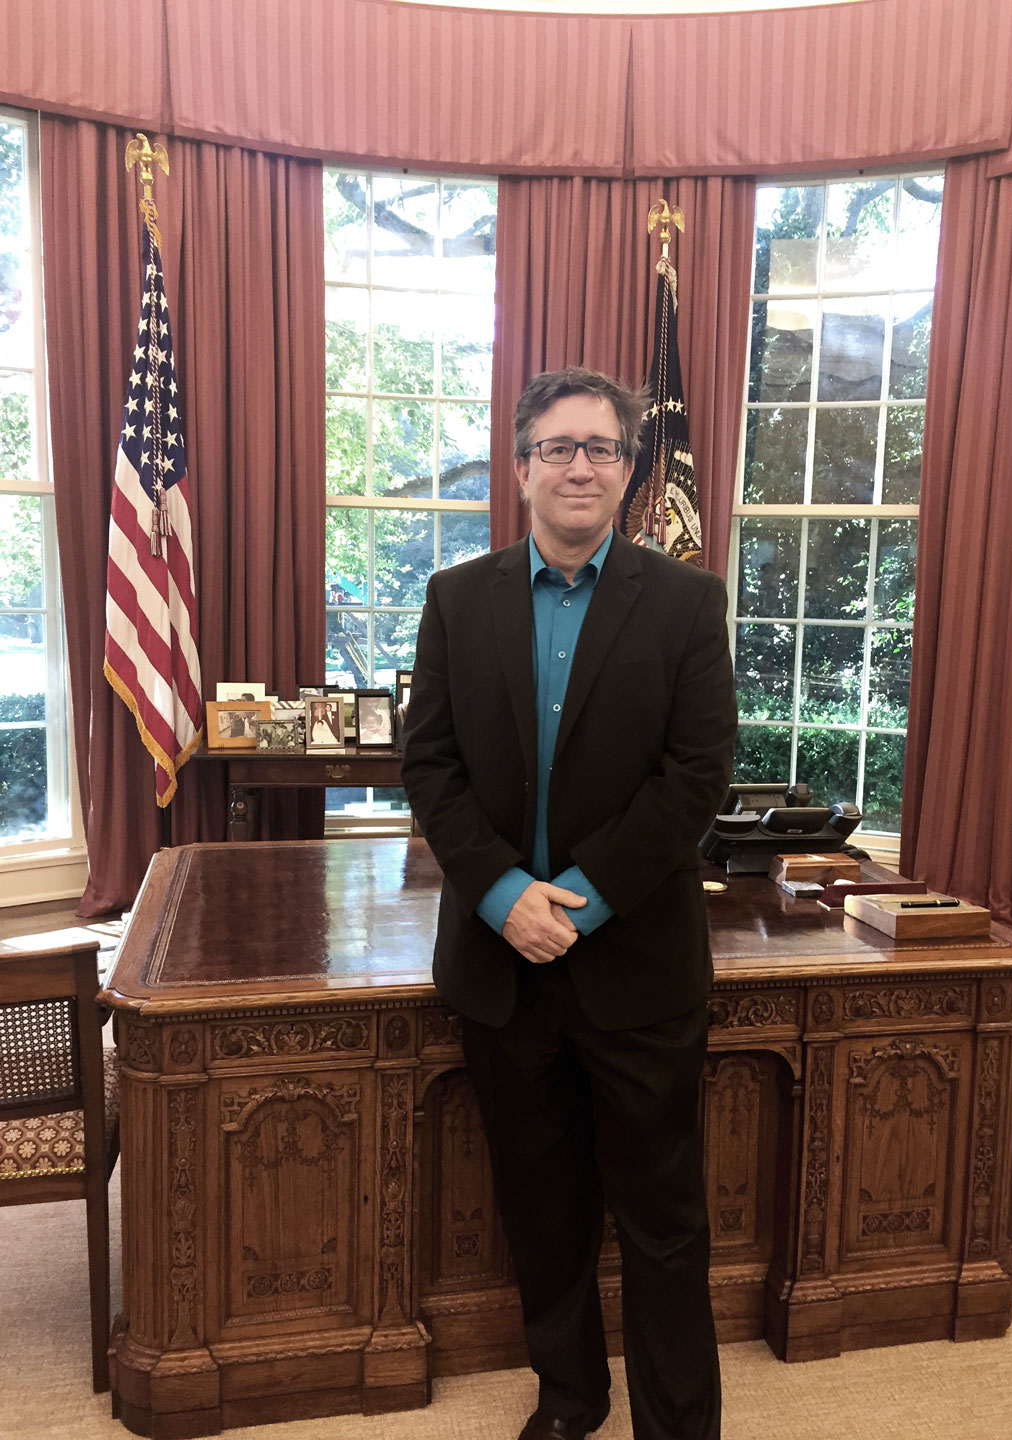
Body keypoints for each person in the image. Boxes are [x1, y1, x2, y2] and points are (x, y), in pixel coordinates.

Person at [402, 367, 737, 1440]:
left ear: (630, 469)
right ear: (521, 467)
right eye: (558, 447)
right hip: (502, 966)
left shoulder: (687, 603)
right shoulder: (457, 600)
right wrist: (506, 896)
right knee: (542, 1211)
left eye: (601, 447)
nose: (579, 465)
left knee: (663, 1222)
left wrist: (578, 904)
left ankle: (677, 1424)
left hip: (637, 968)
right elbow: (430, 766)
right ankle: (570, 1398)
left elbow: (697, 776)